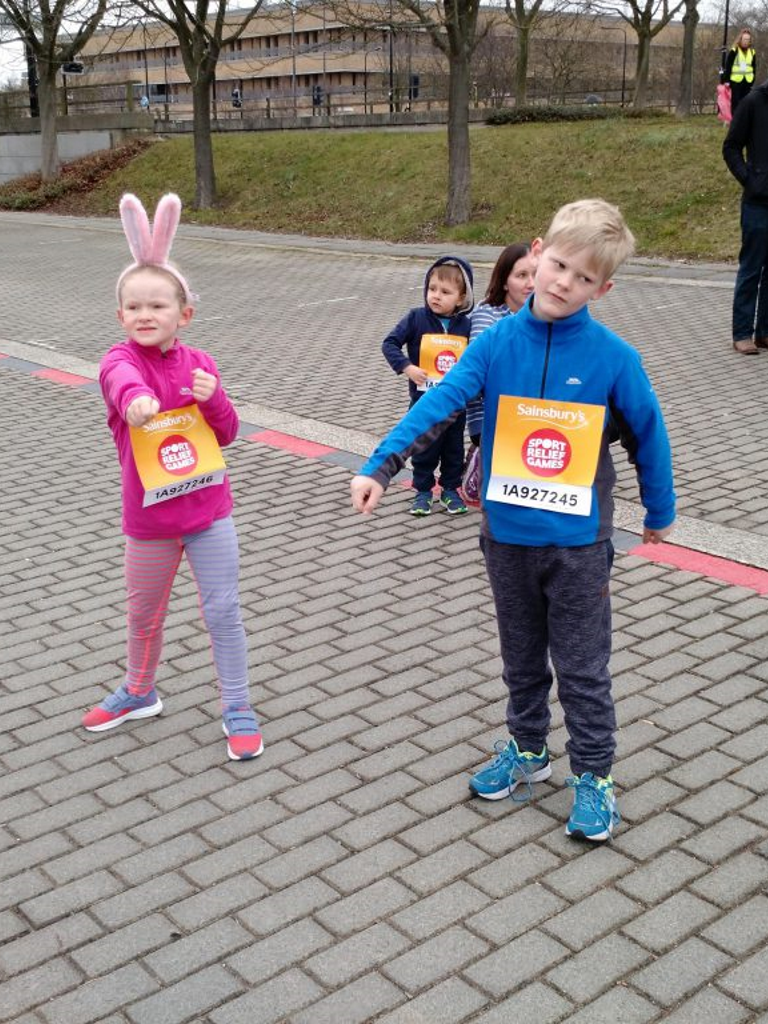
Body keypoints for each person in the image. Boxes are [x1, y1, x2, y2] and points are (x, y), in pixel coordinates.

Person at [351, 199, 675, 841]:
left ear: (603, 288)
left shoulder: (615, 357)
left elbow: (649, 435)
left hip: (580, 545)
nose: (563, 283)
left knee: (583, 668)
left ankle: (594, 775)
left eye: (584, 278)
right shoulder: (494, 342)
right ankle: (529, 751)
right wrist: (381, 466)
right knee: (521, 659)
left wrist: (660, 511)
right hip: (506, 538)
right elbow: (440, 403)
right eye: (557, 265)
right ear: (536, 252)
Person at [81, 193, 263, 762]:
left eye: (157, 305)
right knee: (143, 614)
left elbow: (228, 433)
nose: (144, 315)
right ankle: (139, 690)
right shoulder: (120, 361)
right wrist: (134, 402)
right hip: (150, 521)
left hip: (209, 515)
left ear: (183, 314)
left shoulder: (200, 364)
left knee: (222, 611)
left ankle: (236, 704)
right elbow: (119, 383)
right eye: (133, 306)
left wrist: (216, 399)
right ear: (119, 316)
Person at [381, 255, 474, 516]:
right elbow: (389, 343)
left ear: (461, 297)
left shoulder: (467, 325)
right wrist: (407, 367)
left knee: (453, 448)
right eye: (432, 289)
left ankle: (450, 490)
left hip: (455, 403)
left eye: (445, 292)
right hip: (423, 400)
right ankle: (422, 491)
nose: (436, 296)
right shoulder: (416, 318)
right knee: (424, 447)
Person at [466, 243, 536, 446]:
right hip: (491, 419)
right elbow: (478, 372)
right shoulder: (488, 315)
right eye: (521, 275)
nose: (531, 284)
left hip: (532, 415)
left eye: (536, 275)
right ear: (505, 282)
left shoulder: (544, 318)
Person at [723, 77, 768, 355]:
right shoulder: (754, 101)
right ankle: (742, 333)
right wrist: (750, 180)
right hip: (758, 202)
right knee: (752, 268)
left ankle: (764, 331)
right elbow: (730, 148)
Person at [722, 29, 756, 116]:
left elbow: (753, 67)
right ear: (740, 39)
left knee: (746, 102)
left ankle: (744, 120)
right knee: (736, 102)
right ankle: (735, 120)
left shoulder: (752, 52)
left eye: (748, 40)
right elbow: (728, 66)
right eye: (744, 39)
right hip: (736, 81)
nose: (746, 42)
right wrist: (727, 81)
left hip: (748, 81)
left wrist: (753, 80)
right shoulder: (734, 51)